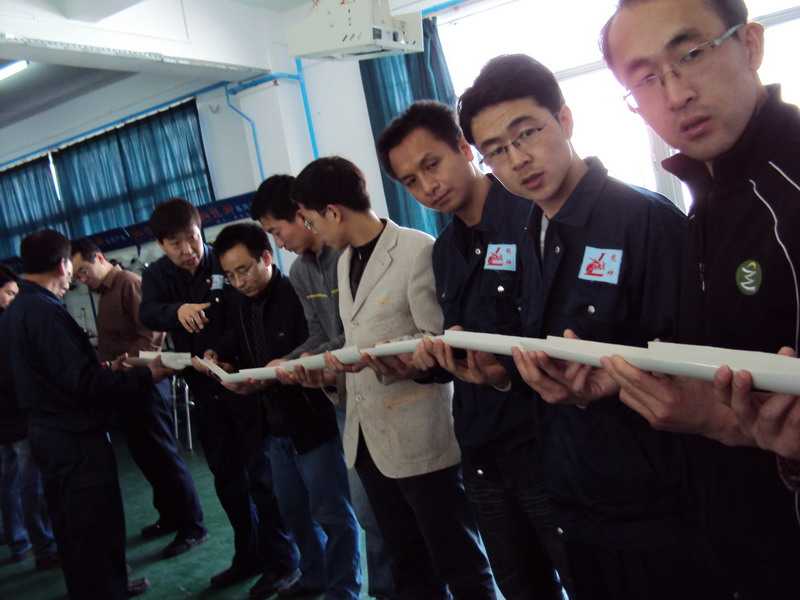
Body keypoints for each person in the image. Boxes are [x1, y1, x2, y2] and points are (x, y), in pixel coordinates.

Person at [457, 54, 717, 600]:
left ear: (565, 119)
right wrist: (502, 373)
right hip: (573, 500)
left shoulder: (645, 221)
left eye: (527, 133)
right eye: (496, 151)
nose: (517, 159)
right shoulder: (527, 234)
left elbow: (698, 373)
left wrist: (611, 385)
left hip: (657, 511)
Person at [600, 0, 800, 595]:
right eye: (644, 79)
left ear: (750, 45)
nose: (675, 94)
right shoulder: (706, 201)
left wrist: (724, 422)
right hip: (737, 543)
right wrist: (616, 381)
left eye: (690, 54)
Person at [376, 100, 563, 600]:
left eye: (432, 164)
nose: (428, 186)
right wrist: (419, 364)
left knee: (584, 577)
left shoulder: (533, 219)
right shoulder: (443, 251)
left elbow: (558, 338)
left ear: (464, 148)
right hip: (481, 453)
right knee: (518, 585)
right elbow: (456, 347)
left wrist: (503, 372)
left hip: (545, 448)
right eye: (411, 181)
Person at [293, 156, 496, 600]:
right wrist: (327, 373)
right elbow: (356, 339)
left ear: (333, 212)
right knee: (408, 563)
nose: (313, 231)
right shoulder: (345, 262)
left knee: (458, 559)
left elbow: (438, 339)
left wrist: (396, 356)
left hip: (420, 435)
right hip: (368, 439)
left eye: (311, 221)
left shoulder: (415, 250)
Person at [0, 229, 169, 598]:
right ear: (63, 265)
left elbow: (52, 374)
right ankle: (106, 589)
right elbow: (82, 383)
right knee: (95, 524)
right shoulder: (45, 313)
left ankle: (101, 586)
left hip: (46, 433)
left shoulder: (16, 312)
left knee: (72, 527)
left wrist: (103, 370)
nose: (73, 280)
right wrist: (144, 375)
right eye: (71, 272)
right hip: (74, 440)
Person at [139, 199, 295, 593]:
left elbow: (244, 311)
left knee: (262, 479)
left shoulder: (223, 263)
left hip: (243, 386)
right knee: (227, 479)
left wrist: (221, 352)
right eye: (175, 244)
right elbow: (148, 313)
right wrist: (177, 312)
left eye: (191, 239)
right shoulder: (157, 275)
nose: (187, 250)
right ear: (161, 245)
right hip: (204, 392)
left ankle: (282, 560)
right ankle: (248, 554)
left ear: (200, 230)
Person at [251, 175, 395, 599]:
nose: (279, 243)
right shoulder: (300, 272)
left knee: (394, 512)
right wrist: (291, 362)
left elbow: (356, 336)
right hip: (346, 401)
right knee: (369, 510)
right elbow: (321, 334)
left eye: (278, 231)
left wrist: (302, 361)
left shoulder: (349, 256)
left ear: (303, 214)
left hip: (386, 390)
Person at [202, 222, 361, 600]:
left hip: (313, 422)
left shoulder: (294, 293)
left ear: (266, 258)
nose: (238, 281)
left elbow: (315, 346)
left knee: (332, 513)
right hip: (273, 426)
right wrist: (221, 361)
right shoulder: (239, 304)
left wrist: (277, 371)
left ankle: (343, 589)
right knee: (293, 512)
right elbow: (239, 348)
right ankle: (314, 577)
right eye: (230, 275)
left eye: (244, 270)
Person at [70, 238, 206, 558]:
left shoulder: (128, 283)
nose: (82, 279)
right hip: (126, 386)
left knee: (164, 457)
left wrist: (122, 363)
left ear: (99, 258)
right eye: (76, 276)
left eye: (84, 271)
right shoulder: (106, 293)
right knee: (147, 458)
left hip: (146, 383)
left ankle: (192, 525)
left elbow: (152, 336)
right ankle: (169, 516)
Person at [0, 265, 59, 569]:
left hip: (6, 418)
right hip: (15, 416)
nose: (13, 298)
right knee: (31, 482)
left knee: (9, 481)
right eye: (9, 293)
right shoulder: (8, 325)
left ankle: (18, 540)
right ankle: (44, 546)